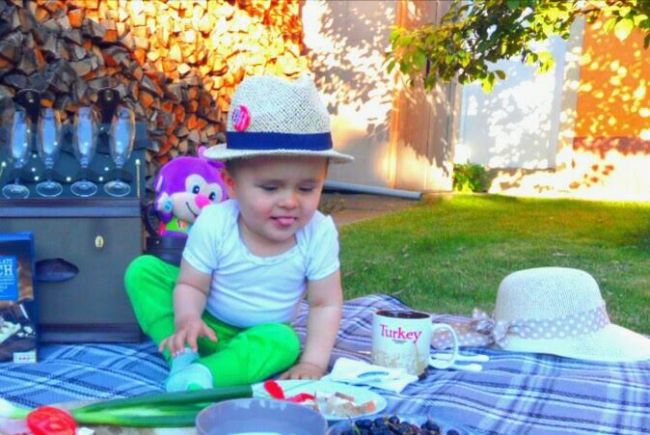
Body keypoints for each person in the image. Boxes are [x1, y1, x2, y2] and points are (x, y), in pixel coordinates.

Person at [125, 74, 353, 391]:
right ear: (231, 185)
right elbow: (191, 284)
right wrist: (188, 320)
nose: (290, 201)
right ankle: (182, 352)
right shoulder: (216, 222)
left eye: (306, 188)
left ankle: (206, 376)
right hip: (204, 324)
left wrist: (313, 362)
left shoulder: (318, 233)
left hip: (260, 336)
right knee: (143, 272)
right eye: (270, 188)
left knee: (285, 342)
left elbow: (324, 304)